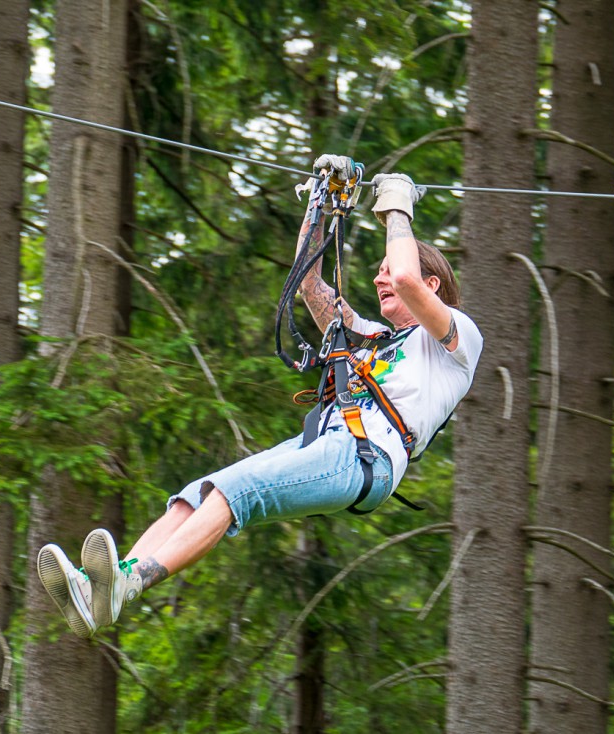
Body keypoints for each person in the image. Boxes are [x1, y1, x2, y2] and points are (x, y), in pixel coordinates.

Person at [35, 159, 484, 638]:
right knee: (196, 495)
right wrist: (319, 203)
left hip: (365, 457)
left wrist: (397, 208)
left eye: (385, 271)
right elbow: (309, 284)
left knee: (240, 493)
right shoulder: (373, 336)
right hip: (327, 443)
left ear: (433, 285)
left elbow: (408, 279)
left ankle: (130, 584)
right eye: (377, 272)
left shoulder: (456, 343)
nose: (379, 279)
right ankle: (102, 589)